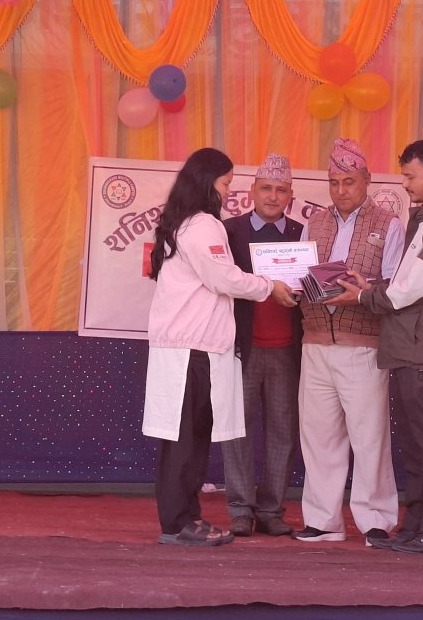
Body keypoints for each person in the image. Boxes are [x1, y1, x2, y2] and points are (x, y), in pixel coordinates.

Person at [142, 148, 297, 547]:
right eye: (226, 183)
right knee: (185, 440)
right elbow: (223, 278)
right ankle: (178, 523)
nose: (229, 192)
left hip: (189, 347)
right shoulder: (203, 225)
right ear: (206, 182)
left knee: (188, 438)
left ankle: (185, 519)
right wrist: (269, 286)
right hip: (191, 350)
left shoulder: (186, 222)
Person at [336, 137, 423, 555]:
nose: (405, 184)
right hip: (410, 348)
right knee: (416, 446)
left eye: (410, 176)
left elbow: (409, 290)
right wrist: (371, 285)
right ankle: (416, 524)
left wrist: (364, 296)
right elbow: (404, 284)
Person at [294, 137, 405, 545]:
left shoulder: (389, 224)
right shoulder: (314, 223)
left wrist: (362, 291)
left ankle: (376, 520)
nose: (341, 190)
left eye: (349, 181)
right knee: (319, 436)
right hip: (316, 342)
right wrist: (289, 286)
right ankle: (323, 520)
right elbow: (302, 275)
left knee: (369, 436)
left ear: (367, 179)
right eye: (334, 182)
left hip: (363, 344)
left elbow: (397, 286)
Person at [221, 153, 303, 537]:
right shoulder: (229, 231)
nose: (273, 196)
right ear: (252, 191)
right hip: (242, 347)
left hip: (288, 348)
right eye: (266, 188)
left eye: (281, 190)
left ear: (291, 195)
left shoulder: (303, 233)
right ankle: (240, 509)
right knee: (237, 429)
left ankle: (271, 510)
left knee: (283, 431)